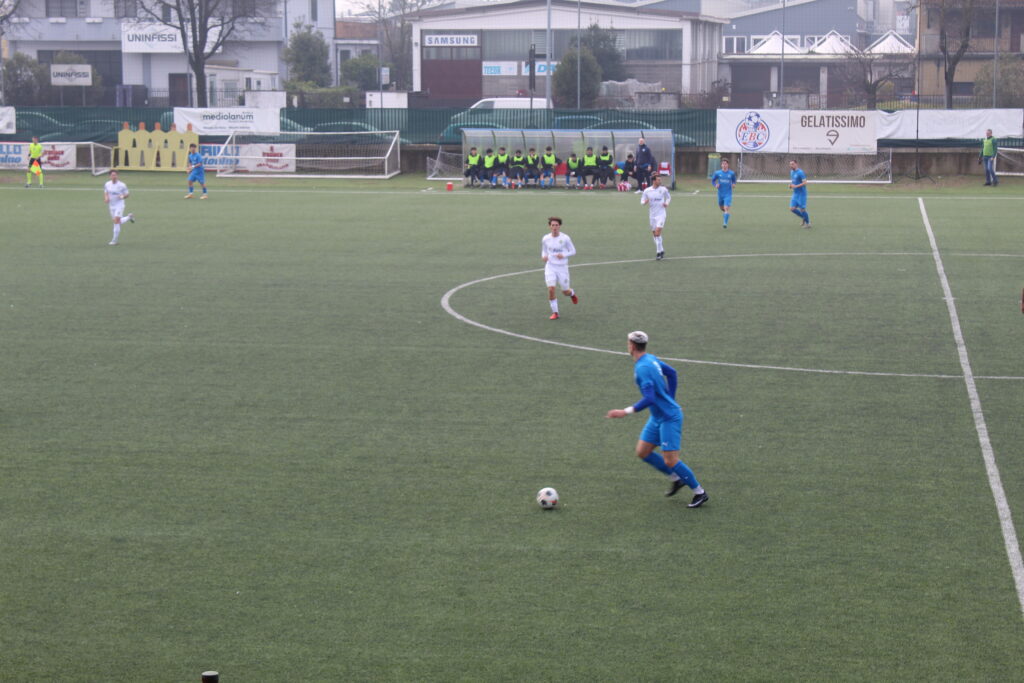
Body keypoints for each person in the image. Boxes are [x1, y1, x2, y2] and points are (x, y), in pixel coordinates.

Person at [606, 330, 707, 507]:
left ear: (632, 346)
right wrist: (671, 399)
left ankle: (699, 492)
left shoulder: (643, 368)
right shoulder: (650, 359)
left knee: (670, 459)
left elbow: (650, 398)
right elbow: (672, 373)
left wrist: (625, 411)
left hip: (669, 417)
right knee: (643, 452)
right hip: (657, 417)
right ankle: (676, 479)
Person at [540, 216, 579, 320]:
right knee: (551, 289)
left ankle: (572, 293)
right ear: (549, 226)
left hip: (562, 268)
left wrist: (564, 255)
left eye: (556, 225)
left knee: (565, 291)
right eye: (553, 225)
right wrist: (544, 256)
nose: (554, 227)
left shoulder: (565, 238)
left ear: (560, 226)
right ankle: (555, 312)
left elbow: (573, 251)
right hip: (550, 267)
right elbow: (544, 250)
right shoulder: (546, 238)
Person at [640, 173, 671, 260]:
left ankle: (658, 253)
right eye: (658, 180)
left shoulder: (663, 189)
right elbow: (642, 201)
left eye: (660, 179)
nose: (660, 181)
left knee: (657, 233)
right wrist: (644, 202)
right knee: (655, 234)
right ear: (654, 181)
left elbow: (668, 197)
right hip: (652, 215)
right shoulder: (647, 191)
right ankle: (662, 250)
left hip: (661, 214)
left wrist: (666, 203)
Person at [103, 170, 136, 246]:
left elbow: (127, 194)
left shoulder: (122, 185)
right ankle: (129, 217)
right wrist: (106, 198)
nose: (114, 176)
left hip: (119, 205)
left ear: (117, 176)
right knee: (117, 221)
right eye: (112, 175)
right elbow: (106, 192)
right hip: (111, 205)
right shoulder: (107, 184)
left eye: (115, 175)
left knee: (116, 221)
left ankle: (114, 241)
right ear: (109, 176)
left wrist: (122, 196)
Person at [711, 158, 738, 229]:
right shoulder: (717, 173)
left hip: (728, 194)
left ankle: (725, 223)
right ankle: (726, 214)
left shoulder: (731, 173)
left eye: (725, 164)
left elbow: (734, 180)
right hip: (720, 194)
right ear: (721, 165)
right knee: (722, 208)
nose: (724, 165)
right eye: (723, 164)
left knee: (726, 208)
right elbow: (713, 181)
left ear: (728, 165)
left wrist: (733, 184)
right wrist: (715, 185)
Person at [788, 159, 810, 228]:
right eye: (790, 164)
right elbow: (794, 181)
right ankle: (804, 217)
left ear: (796, 164)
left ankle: (808, 224)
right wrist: (790, 185)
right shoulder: (791, 172)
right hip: (795, 194)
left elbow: (805, 182)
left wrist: (796, 186)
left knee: (802, 209)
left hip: (802, 194)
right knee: (792, 209)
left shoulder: (800, 172)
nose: (791, 165)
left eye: (792, 164)